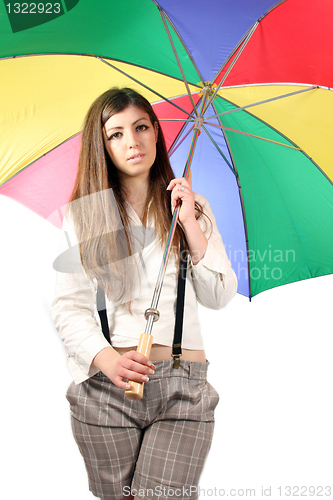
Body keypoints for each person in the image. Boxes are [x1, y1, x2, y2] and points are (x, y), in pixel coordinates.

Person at [51, 87, 237, 500]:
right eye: (115, 134)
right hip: (104, 387)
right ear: (101, 146)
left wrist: (189, 223)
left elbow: (220, 294)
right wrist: (107, 360)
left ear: (156, 132)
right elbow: (69, 307)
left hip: (182, 387)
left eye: (140, 128)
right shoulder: (84, 215)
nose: (132, 142)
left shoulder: (192, 207)